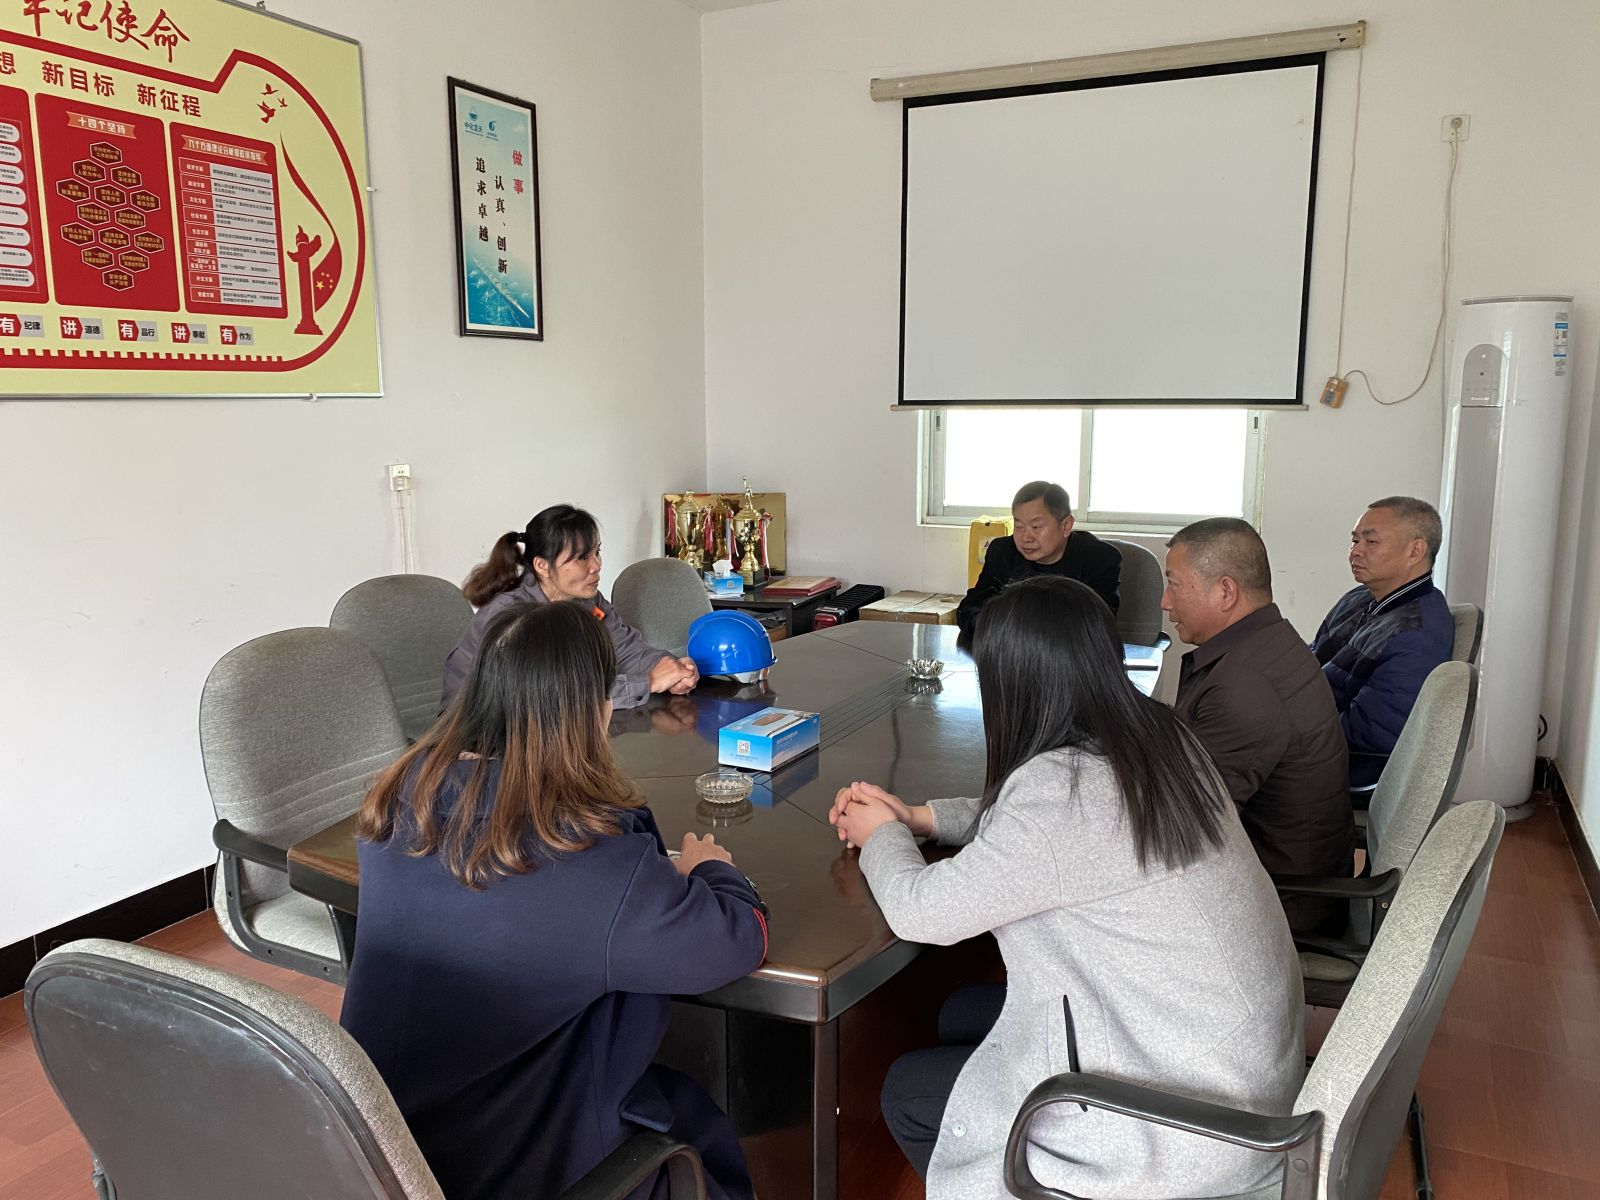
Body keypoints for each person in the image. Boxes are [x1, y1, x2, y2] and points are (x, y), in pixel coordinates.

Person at [831, 576, 1302, 1199]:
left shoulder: (1066, 791)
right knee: (957, 1013)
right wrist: (921, 818)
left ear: (1015, 683)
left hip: (1187, 1126)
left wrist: (882, 836)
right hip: (1231, 1066)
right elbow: (1047, 834)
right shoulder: (1156, 737)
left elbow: (924, 912)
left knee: (908, 1091)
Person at [343, 601, 768, 1200]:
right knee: (698, 1123)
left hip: (382, 1152)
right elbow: (738, 939)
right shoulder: (585, 854)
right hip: (528, 1163)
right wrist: (713, 870)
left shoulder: (396, 806)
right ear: (595, 711)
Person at [1163, 518, 1353, 934]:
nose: (1165, 602)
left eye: (1174, 584)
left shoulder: (1244, 686)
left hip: (1276, 906)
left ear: (1225, 591)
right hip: (1288, 877)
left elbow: (1184, 825)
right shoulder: (1271, 643)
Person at [442, 504, 698, 710]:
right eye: (582, 558)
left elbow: (626, 651)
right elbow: (549, 698)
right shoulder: (511, 617)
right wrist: (648, 681)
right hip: (482, 741)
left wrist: (672, 669)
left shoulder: (588, 600)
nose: (596, 565)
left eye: (597, 553)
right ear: (542, 566)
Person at [1311, 497, 1454, 791]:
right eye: (1354, 540)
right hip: (1305, 728)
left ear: (1415, 551)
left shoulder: (1416, 634)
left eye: (1371, 541)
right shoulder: (1359, 598)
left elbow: (1369, 735)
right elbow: (1312, 659)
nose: (1355, 551)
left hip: (1332, 767)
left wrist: (1282, 730)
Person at [955, 480, 1121, 640]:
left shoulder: (1099, 559)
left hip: (1071, 655)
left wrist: (1019, 629)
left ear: (1066, 526)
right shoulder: (1003, 553)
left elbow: (1099, 626)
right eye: (1019, 527)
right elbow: (969, 609)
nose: (1026, 537)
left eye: (1036, 527)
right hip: (1011, 652)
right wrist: (990, 626)